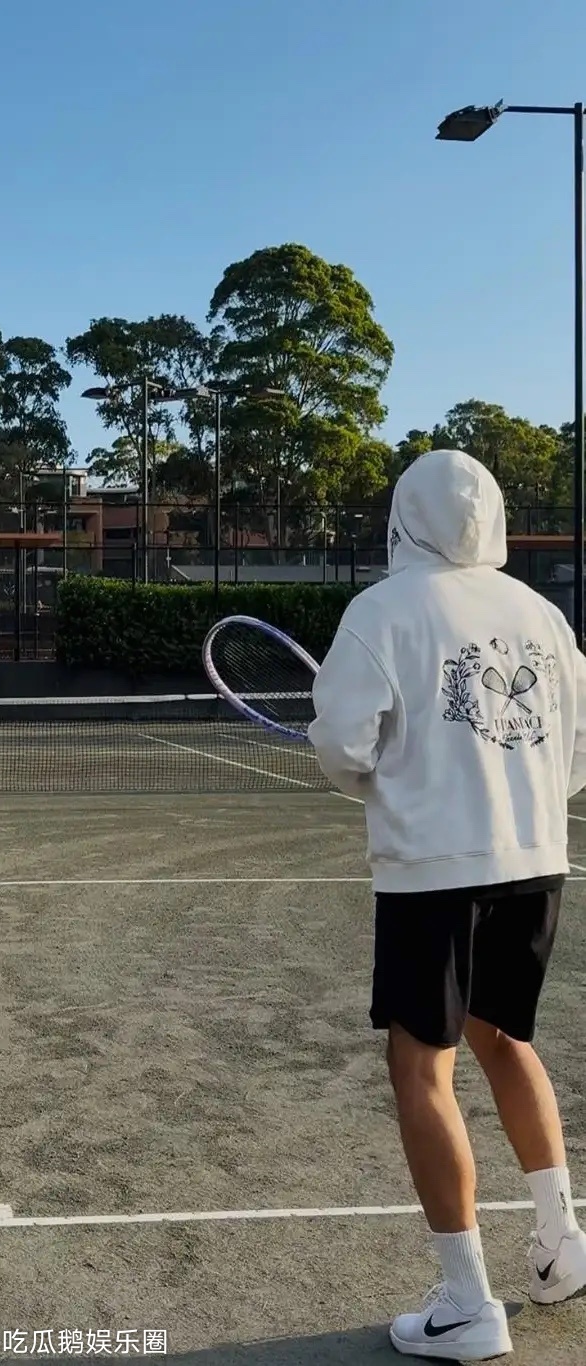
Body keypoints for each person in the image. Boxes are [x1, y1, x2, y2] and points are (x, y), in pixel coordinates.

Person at [308, 449, 586, 1360]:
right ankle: (562, 1242)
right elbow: (575, 753)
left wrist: (375, 779)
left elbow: (343, 749)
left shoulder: (381, 611)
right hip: (535, 862)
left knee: (420, 1068)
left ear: (405, 516)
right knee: (504, 1040)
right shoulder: (543, 615)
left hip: (433, 873)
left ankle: (468, 1303)